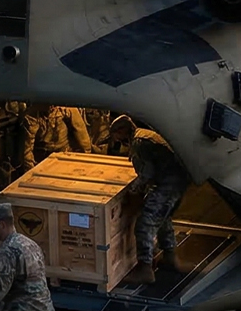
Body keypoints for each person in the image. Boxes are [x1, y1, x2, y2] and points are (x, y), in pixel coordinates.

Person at [109, 116, 191, 284]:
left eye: (115, 135)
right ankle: (170, 257)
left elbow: (147, 174)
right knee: (162, 218)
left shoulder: (139, 142)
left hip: (168, 184)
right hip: (176, 181)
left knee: (145, 224)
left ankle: (145, 269)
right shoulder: (145, 134)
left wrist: (132, 189)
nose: (116, 140)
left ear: (121, 131)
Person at [23, 105, 94, 172]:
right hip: (43, 157)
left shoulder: (66, 109)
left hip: (65, 154)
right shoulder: (33, 115)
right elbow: (27, 148)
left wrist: (86, 157)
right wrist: (30, 170)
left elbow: (80, 132)